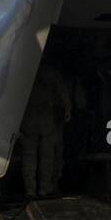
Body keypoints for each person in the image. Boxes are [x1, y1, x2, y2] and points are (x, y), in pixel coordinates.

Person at [19, 64, 71, 199]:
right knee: (47, 154)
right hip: (46, 116)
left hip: (30, 115)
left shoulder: (25, 68)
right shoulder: (51, 71)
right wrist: (67, 108)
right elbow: (62, 91)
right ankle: (44, 188)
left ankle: (30, 189)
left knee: (30, 154)